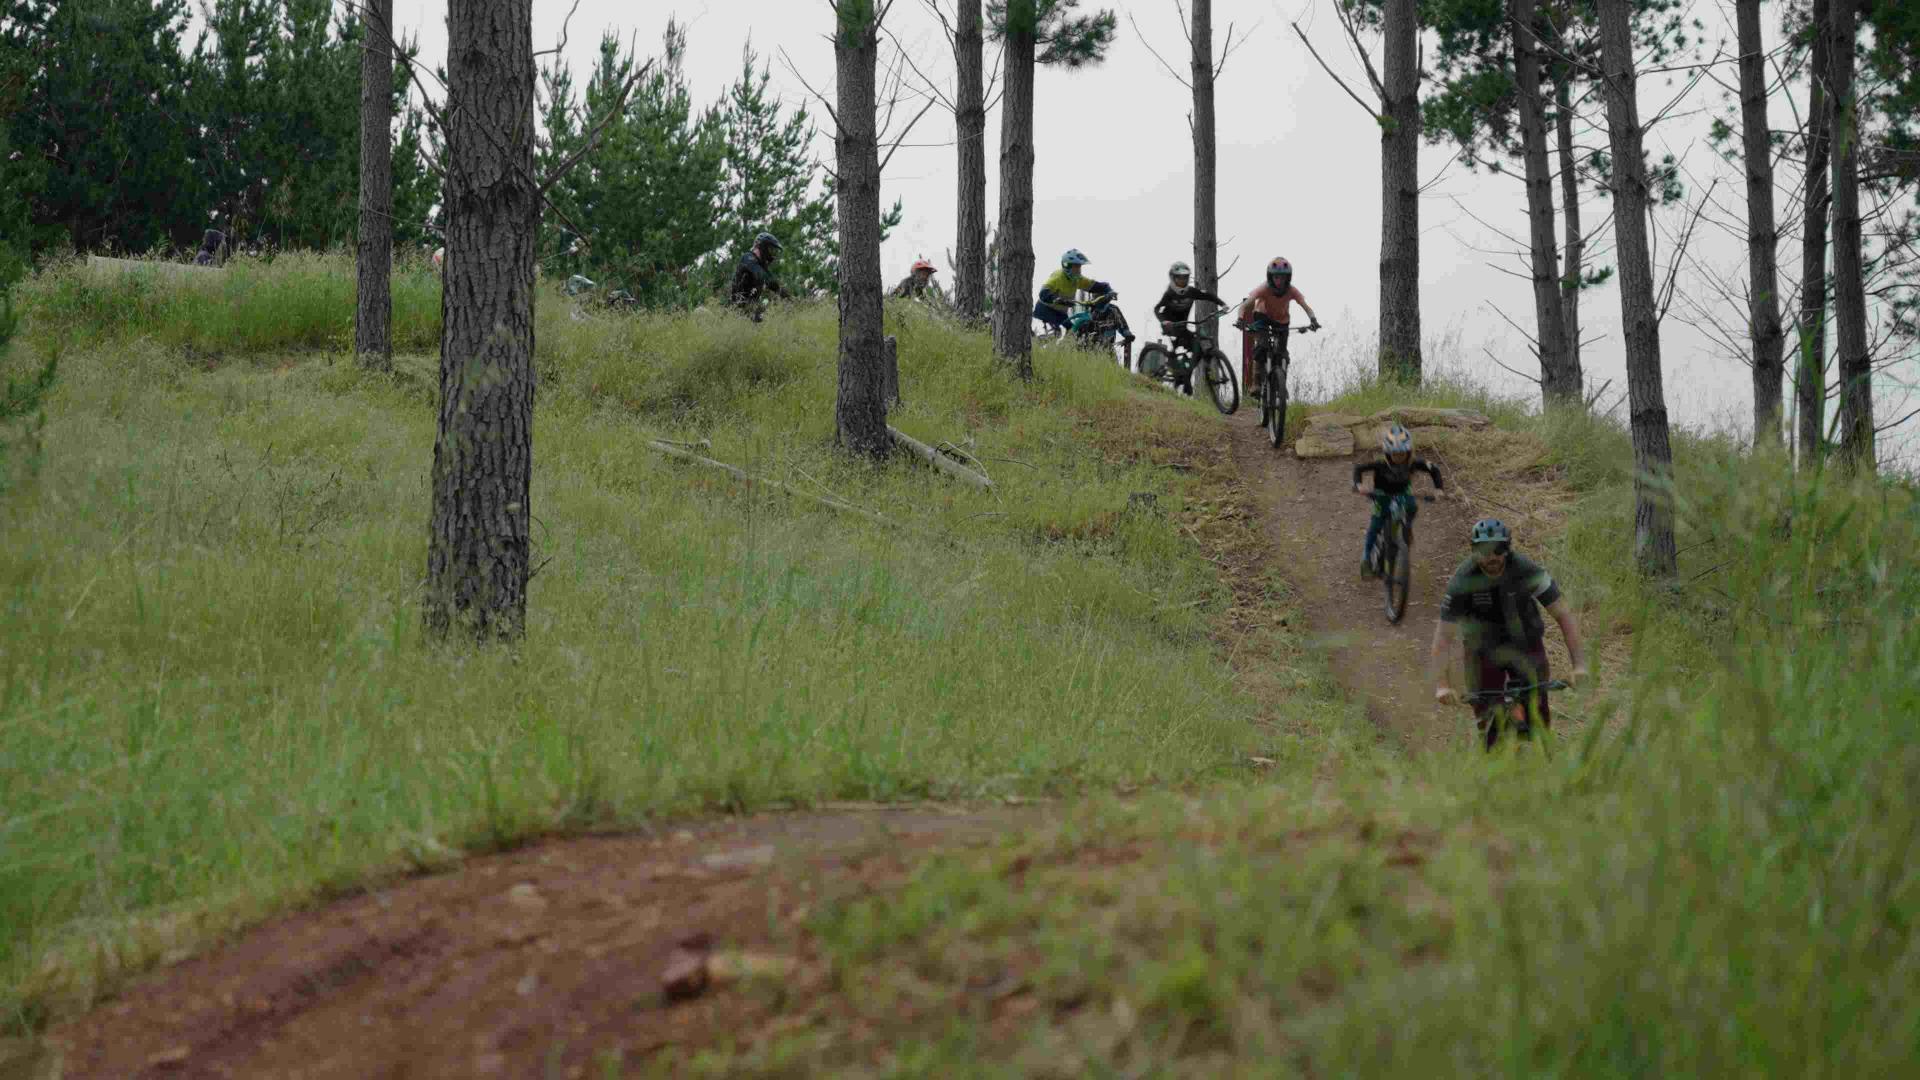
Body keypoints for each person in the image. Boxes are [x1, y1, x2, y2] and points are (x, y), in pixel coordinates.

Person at [1430, 519, 1589, 750]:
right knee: (1487, 716)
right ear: (1474, 551)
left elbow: (1563, 615)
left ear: (1508, 549)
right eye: (1484, 551)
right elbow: (1443, 636)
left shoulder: (1525, 569)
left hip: (1525, 641)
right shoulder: (1463, 580)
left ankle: (1546, 765)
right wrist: (1442, 685)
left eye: (1499, 550)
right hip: (1482, 648)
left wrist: (1580, 666)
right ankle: (1493, 765)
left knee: (1539, 709)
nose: (1492, 557)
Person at [1352, 422, 1444, 578]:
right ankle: (1366, 558)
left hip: (1403, 493)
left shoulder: (1413, 463)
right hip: (1381, 495)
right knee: (1375, 526)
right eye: (1395, 454)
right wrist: (1359, 485)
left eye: (1403, 454)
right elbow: (1358, 469)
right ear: (1387, 453)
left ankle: (1406, 528)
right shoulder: (1380, 465)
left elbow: (1433, 469)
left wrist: (1438, 489)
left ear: (1409, 452)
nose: (1399, 458)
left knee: (1412, 507)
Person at [1234, 257, 1321, 397]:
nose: (1279, 281)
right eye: (1276, 277)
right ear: (1270, 277)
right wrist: (1239, 318)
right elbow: (1245, 305)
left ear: (1288, 278)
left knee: (1283, 355)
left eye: (1282, 277)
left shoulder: (1292, 290)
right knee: (1261, 346)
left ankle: (1281, 385)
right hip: (1262, 318)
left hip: (1281, 321)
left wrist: (1313, 319)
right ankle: (1256, 382)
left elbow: (1305, 306)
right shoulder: (1263, 288)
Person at [1152, 261, 1228, 391]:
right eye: (1179, 278)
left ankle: (1185, 376)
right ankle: (1180, 375)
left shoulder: (1191, 292)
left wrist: (1222, 304)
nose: (1182, 281)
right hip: (1171, 326)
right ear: (1172, 278)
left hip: (1183, 326)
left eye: (1185, 278)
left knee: (1196, 346)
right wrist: (1163, 321)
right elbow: (1157, 308)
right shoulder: (1169, 294)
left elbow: (1207, 296)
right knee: (1179, 349)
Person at [1032, 249, 1106, 335]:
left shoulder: (1077, 279)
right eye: (1076, 267)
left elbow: (1093, 285)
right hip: (1045, 311)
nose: (1079, 270)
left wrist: (1108, 289)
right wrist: (1057, 299)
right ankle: (1039, 345)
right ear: (1067, 266)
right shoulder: (1058, 277)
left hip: (1060, 313)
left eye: (1079, 267)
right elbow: (1043, 293)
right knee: (1058, 332)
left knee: (1073, 332)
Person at [729, 231, 790, 317]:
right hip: (737, 312)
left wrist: (789, 298)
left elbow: (772, 281)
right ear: (763, 247)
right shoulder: (748, 258)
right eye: (770, 249)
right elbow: (765, 278)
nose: (772, 254)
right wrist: (780, 290)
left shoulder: (760, 265)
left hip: (750, 311)